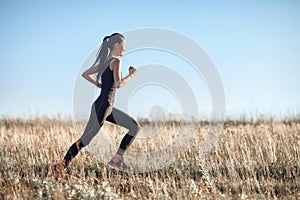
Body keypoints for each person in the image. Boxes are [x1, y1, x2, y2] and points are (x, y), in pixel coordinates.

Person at [51, 33, 140, 175]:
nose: (125, 49)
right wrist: (132, 75)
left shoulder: (105, 62)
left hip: (104, 106)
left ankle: (117, 158)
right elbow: (118, 84)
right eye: (124, 45)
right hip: (104, 106)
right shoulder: (116, 62)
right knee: (86, 139)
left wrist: (98, 84)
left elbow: (85, 74)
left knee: (134, 127)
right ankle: (59, 167)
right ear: (116, 45)